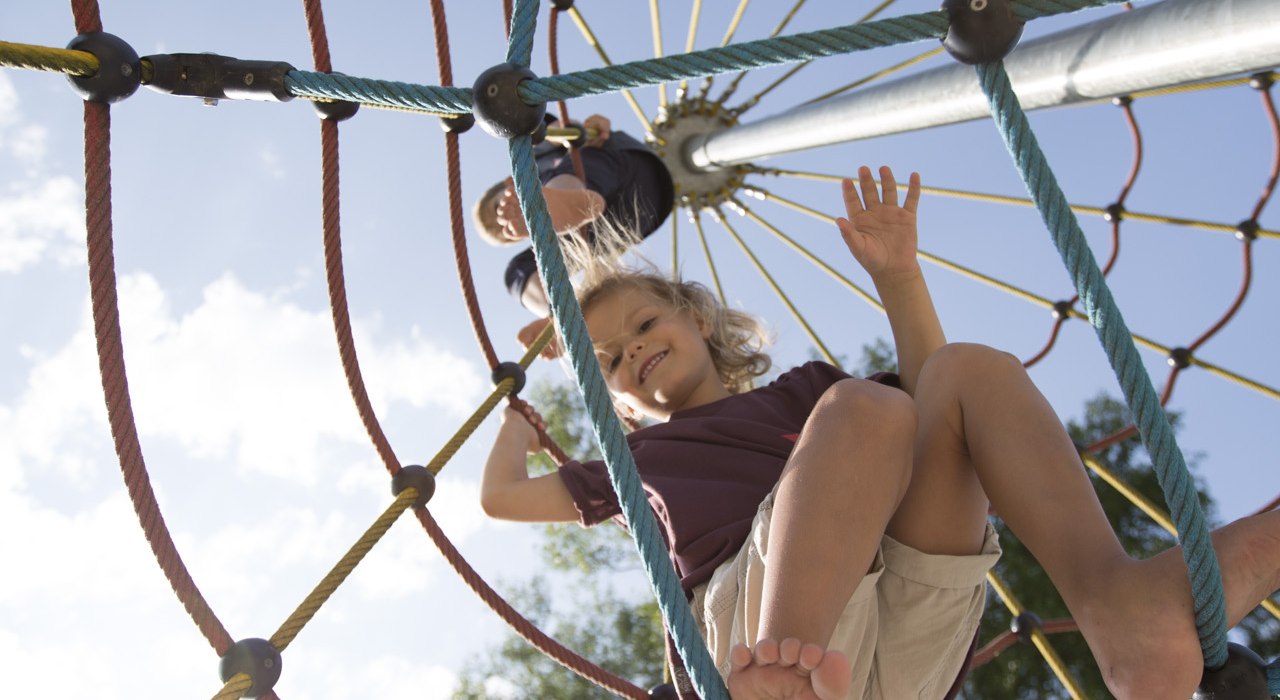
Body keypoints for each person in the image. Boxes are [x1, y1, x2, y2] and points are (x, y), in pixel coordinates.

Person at [479, 165, 1280, 700]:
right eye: (611, 361)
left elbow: (936, 409)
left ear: (696, 316)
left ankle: (1121, 610)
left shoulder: (807, 395)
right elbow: (503, 499)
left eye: (646, 322)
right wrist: (519, 418)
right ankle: (779, 671)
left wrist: (899, 277)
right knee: (870, 408)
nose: (635, 351)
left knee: (960, 374)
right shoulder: (633, 459)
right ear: (613, 399)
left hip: (904, 635)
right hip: (754, 626)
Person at [471, 113, 675, 356]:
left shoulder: (535, 159)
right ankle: (559, 312)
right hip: (631, 216)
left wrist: (582, 129)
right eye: (509, 233)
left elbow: (557, 131)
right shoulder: (558, 239)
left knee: (575, 163)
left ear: (509, 182)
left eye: (500, 208)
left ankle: (551, 205)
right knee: (518, 269)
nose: (505, 219)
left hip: (624, 167)